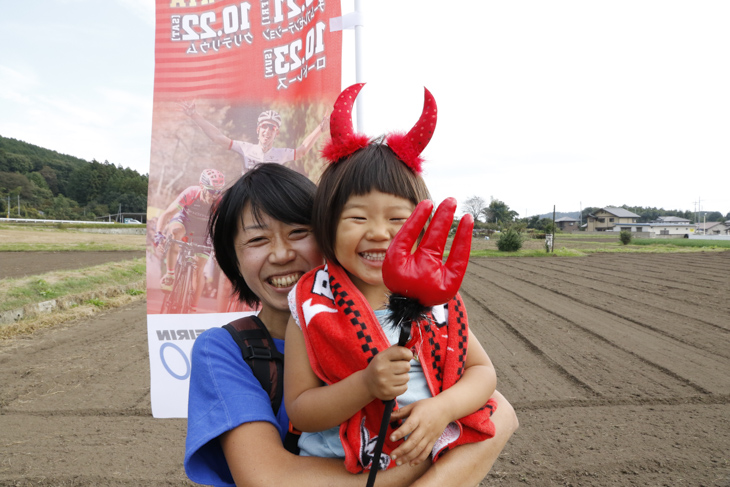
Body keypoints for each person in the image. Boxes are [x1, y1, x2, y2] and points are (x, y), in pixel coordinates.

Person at [184, 164, 518, 487]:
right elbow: (268, 480)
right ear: (233, 259)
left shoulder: (415, 309)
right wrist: (437, 455)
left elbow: (494, 400)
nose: (282, 254)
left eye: (299, 233)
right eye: (257, 241)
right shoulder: (225, 352)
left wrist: (450, 415)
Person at [285, 84, 509, 476]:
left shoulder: (431, 299)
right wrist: (365, 385)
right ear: (327, 223)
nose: (378, 233)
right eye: (357, 218)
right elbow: (301, 410)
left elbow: (483, 373)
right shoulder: (311, 304)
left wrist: (442, 409)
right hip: (335, 471)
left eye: (398, 220)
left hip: (431, 464)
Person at [181, 100, 327, 175]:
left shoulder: (281, 154)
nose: (267, 131)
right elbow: (217, 137)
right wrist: (194, 115)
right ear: (258, 130)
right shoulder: (245, 148)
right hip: (246, 195)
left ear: (277, 133)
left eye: (272, 128)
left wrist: (320, 129)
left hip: (269, 198)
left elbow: (302, 150)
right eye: (264, 127)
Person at [155, 168, 225, 313]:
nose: (214, 195)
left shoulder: (220, 202)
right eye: (211, 191)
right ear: (201, 186)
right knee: (176, 232)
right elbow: (166, 215)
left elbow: (223, 229)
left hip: (204, 230)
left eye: (218, 191)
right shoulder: (191, 193)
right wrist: (159, 235)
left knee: (198, 268)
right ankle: (170, 274)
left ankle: (192, 308)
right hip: (184, 221)